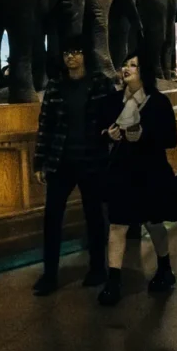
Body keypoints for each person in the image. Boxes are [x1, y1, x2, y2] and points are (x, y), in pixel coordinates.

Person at [97, 55, 177, 307]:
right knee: (117, 224)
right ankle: (113, 281)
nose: (126, 69)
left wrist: (145, 135)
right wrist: (108, 135)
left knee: (154, 223)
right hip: (122, 172)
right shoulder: (112, 101)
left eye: (133, 65)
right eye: (125, 64)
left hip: (150, 172)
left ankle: (164, 267)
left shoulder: (158, 102)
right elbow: (98, 130)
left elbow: (171, 139)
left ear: (143, 71)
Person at [32, 46, 118, 297]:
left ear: (85, 55)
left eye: (77, 52)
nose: (71, 57)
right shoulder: (55, 86)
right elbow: (45, 125)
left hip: (92, 159)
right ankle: (49, 274)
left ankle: (97, 268)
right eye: (67, 53)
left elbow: (114, 115)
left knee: (94, 216)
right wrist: (39, 162)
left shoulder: (101, 84)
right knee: (52, 218)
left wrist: (109, 136)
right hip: (61, 161)